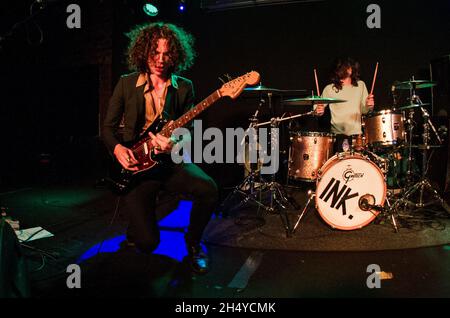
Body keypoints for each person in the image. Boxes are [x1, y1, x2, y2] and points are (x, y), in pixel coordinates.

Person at [102, 22, 218, 274]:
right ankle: (137, 229)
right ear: (144, 52)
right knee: (147, 242)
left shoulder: (184, 86)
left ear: (175, 55)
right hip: (136, 168)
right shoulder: (126, 83)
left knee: (208, 189)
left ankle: (194, 243)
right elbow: (107, 129)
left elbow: (190, 132)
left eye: (167, 54)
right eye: (155, 52)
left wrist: (175, 142)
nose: (160, 59)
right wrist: (118, 150)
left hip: (169, 162)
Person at [315, 57, 374, 152]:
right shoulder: (330, 89)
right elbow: (318, 110)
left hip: (356, 137)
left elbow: (364, 111)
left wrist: (369, 105)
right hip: (337, 137)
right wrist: (318, 110)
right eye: (345, 67)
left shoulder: (360, 85)